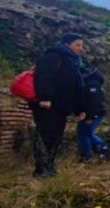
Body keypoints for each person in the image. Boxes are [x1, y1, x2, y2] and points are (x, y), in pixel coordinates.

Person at [30, 33, 86, 177]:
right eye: (77, 45)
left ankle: (50, 166)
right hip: (47, 105)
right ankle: (41, 169)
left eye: (82, 45)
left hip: (62, 107)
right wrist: (45, 97)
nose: (81, 48)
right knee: (45, 135)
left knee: (56, 137)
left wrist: (79, 109)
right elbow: (44, 76)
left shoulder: (73, 62)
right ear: (67, 44)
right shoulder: (53, 56)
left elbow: (76, 87)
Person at [77, 63, 110, 162]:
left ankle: (89, 155)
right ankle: (94, 152)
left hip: (93, 114)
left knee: (86, 134)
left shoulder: (92, 84)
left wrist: (90, 117)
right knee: (85, 133)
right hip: (90, 113)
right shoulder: (91, 83)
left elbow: (93, 102)